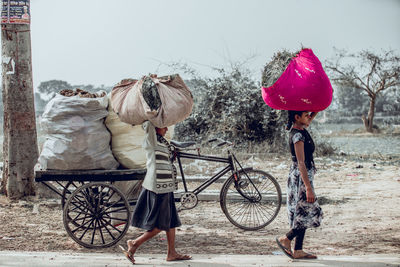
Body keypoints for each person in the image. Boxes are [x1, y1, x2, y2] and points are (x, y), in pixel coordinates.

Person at [120, 121, 191, 264]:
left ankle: (171, 253)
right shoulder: (150, 140)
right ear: (155, 127)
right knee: (161, 224)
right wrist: (153, 114)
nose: (166, 129)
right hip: (158, 187)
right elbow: (148, 124)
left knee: (171, 221)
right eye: (163, 126)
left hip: (166, 186)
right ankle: (134, 243)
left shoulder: (162, 142)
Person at [276, 110, 323, 259]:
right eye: (305, 115)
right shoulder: (297, 136)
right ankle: (286, 238)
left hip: (303, 175)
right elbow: (301, 162)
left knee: (302, 212)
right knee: (310, 211)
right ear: (297, 117)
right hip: (301, 178)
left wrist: (317, 107)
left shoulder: (300, 129)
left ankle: (298, 250)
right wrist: (308, 187)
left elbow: (309, 119)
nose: (309, 117)